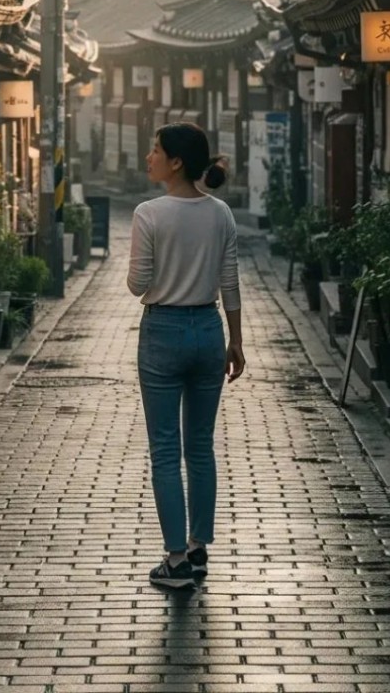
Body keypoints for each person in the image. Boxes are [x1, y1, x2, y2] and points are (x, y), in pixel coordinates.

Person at [127, 122, 245, 589]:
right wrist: (236, 340)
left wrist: (159, 272)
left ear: (176, 162)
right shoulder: (221, 214)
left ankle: (174, 560)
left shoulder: (149, 213)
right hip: (209, 329)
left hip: (163, 331)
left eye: (155, 150)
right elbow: (230, 282)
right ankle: (198, 550)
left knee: (164, 449)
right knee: (200, 445)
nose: (149, 157)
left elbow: (138, 284)